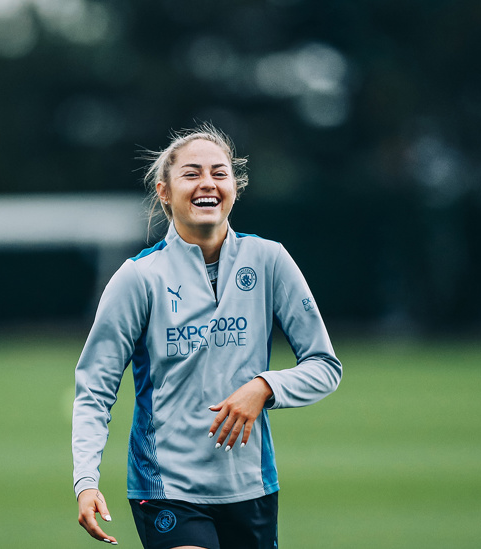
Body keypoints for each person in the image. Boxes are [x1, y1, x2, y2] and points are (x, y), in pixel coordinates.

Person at [72, 123, 342, 548]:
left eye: (219, 173)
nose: (207, 184)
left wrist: (264, 386)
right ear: (164, 191)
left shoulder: (270, 260)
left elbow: (325, 367)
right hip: (167, 489)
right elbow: (95, 389)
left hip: (250, 486)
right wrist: (86, 480)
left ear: (235, 186)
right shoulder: (138, 278)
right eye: (192, 173)